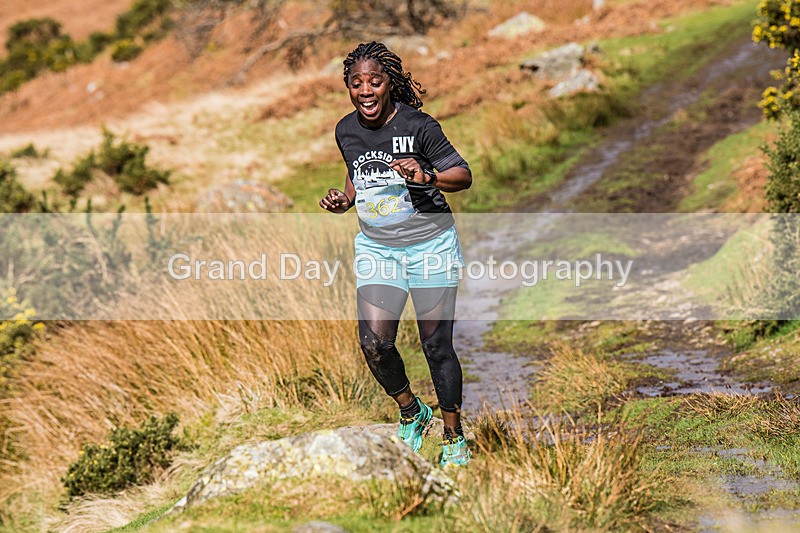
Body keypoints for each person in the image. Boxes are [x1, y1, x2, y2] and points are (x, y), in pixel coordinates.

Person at [319, 41, 472, 467]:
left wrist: (428, 175)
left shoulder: (418, 125)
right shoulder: (345, 130)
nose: (365, 90)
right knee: (374, 344)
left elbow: (463, 175)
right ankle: (412, 411)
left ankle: (454, 437)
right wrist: (346, 200)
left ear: (389, 84)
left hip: (431, 245)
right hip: (377, 248)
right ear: (348, 88)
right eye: (356, 83)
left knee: (435, 346)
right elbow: (356, 172)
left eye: (375, 81)